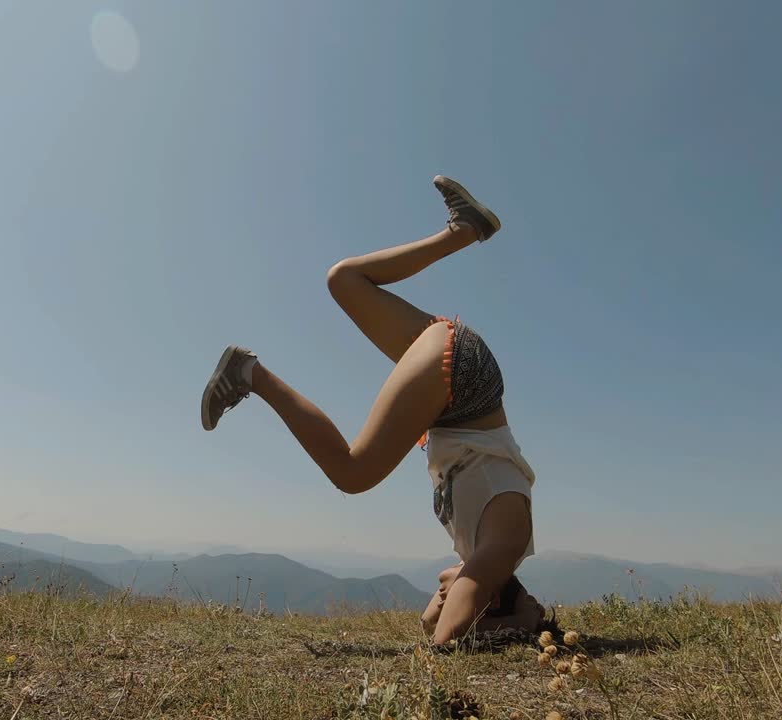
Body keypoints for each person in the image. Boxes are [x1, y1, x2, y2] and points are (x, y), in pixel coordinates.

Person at [200, 176, 544, 646]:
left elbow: (429, 621)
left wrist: (474, 594)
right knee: (352, 472)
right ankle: (250, 374)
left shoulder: (488, 552)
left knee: (344, 280)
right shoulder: (503, 546)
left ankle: (463, 232)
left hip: (455, 371)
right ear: (492, 594)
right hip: (462, 386)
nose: (448, 589)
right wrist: (527, 625)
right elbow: (446, 637)